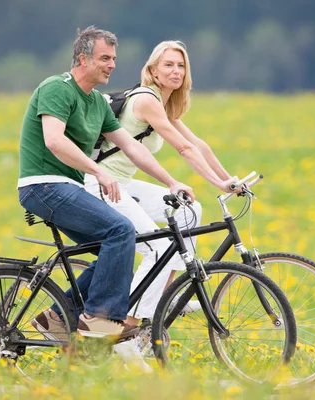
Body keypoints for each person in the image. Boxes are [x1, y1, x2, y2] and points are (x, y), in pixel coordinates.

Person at [17, 27, 194, 341]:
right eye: (104, 58)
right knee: (121, 229)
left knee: (118, 250)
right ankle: (99, 322)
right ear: (83, 59)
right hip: (43, 184)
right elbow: (55, 141)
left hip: (67, 187)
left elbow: (133, 147)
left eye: (113, 58)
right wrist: (98, 172)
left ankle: (55, 318)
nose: (112, 65)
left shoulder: (97, 102)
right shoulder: (57, 88)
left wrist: (171, 181)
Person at [84, 40, 240, 326]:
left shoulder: (164, 103)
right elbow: (184, 149)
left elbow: (198, 145)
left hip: (124, 183)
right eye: (168, 65)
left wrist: (228, 178)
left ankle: (165, 294)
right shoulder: (146, 100)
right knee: (156, 250)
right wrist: (218, 184)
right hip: (102, 185)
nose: (176, 71)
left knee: (189, 210)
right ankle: (126, 324)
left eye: (181, 66)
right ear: (153, 71)